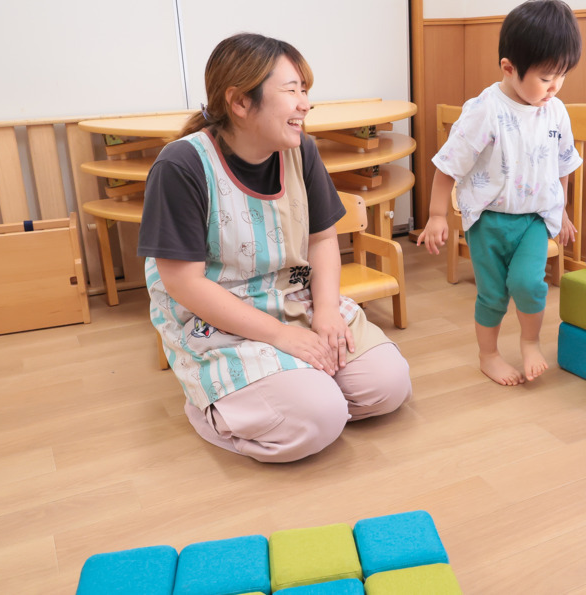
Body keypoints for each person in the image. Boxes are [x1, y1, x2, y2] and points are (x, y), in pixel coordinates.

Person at [137, 33, 412, 463]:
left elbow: (322, 238)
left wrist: (323, 312)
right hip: (219, 319)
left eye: (305, 91)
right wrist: (283, 338)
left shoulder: (301, 150)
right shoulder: (182, 165)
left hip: (293, 297)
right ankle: (212, 409)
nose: (305, 103)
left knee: (388, 386)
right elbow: (182, 283)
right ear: (241, 103)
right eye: (291, 91)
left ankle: (302, 392)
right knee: (318, 417)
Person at [416, 0, 582, 386]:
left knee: (528, 284)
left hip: (534, 221)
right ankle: (487, 355)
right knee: (492, 295)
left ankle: (529, 342)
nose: (554, 87)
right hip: (488, 220)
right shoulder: (484, 110)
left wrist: (564, 211)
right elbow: (447, 165)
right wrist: (438, 215)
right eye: (545, 77)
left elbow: (563, 165)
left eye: (562, 75)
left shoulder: (555, 110)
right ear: (509, 67)